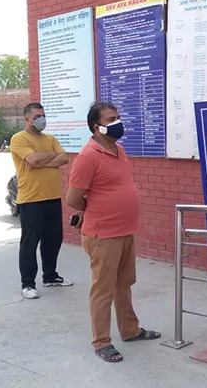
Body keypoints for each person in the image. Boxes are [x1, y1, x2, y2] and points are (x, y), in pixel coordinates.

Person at [67, 102, 161, 363]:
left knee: (124, 284)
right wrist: (96, 209)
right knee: (103, 289)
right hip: (102, 234)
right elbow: (73, 199)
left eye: (118, 116)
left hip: (125, 230)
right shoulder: (87, 156)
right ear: (96, 127)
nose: (118, 122)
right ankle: (101, 342)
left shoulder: (119, 150)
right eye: (111, 118)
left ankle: (129, 330)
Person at [10, 102, 72, 299]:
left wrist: (41, 160)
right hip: (31, 199)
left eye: (43, 115)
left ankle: (50, 276)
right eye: (37, 116)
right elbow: (33, 160)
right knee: (30, 242)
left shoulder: (50, 138)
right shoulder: (19, 139)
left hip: (52, 196)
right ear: (26, 119)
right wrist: (47, 158)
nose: (41, 119)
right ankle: (27, 283)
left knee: (53, 239)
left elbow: (64, 159)